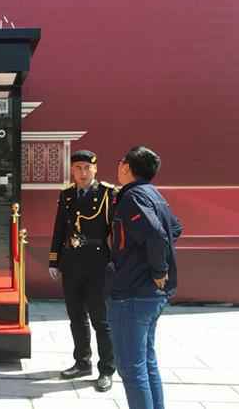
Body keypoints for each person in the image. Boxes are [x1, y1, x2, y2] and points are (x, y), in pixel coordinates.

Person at [107, 146, 182, 409]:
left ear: (127, 167)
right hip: (149, 293)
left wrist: (158, 269)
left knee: (131, 368)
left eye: (121, 162)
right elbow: (175, 228)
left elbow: (157, 235)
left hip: (133, 293)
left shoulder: (133, 197)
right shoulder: (153, 194)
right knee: (146, 363)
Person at [49, 150, 116, 392]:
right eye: (78, 168)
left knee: (101, 319)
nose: (83, 172)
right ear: (72, 170)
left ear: (95, 169)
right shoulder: (67, 195)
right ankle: (82, 362)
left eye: (87, 168)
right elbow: (59, 229)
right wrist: (54, 260)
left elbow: (116, 231)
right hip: (71, 263)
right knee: (76, 316)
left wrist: (118, 261)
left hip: (98, 264)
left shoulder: (108, 194)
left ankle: (106, 369)